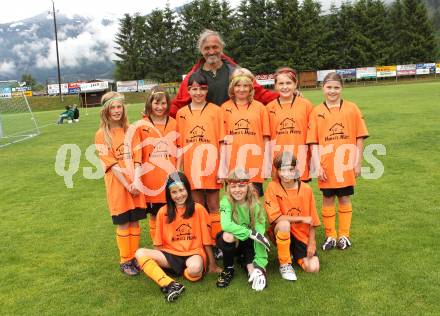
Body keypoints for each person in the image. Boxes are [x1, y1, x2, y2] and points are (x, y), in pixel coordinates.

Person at [306, 72, 369, 251]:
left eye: (336, 87)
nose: (332, 91)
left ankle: (344, 235)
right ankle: (330, 235)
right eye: (329, 87)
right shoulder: (316, 112)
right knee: (327, 198)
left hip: (346, 164)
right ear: (322, 88)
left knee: (344, 198)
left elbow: (359, 137)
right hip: (326, 165)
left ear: (342, 88)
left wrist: (357, 162)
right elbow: (314, 142)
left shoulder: (352, 108)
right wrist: (317, 165)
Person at [135, 172, 216, 302]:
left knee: (195, 269)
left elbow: (207, 239)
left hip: (193, 253)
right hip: (170, 254)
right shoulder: (163, 212)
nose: (179, 195)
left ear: (187, 189)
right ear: (169, 194)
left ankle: (183, 272)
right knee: (140, 253)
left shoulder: (199, 209)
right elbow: (158, 242)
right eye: (174, 192)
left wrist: (212, 264)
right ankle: (169, 283)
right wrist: (156, 261)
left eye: (181, 190)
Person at [170, 29, 278, 117]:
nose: (211, 52)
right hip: (207, 126)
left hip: (233, 125)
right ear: (201, 50)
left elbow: (259, 93)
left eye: (215, 47)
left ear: (221, 47)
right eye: (207, 48)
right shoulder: (193, 76)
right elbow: (179, 103)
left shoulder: (236, 72)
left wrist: (284, 96)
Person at [95, 91, 146, 276]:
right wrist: (127, 185)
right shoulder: (101, 135)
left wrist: (137, 180)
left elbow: (138, 157)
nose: (116, 111)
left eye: (119, 107)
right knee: (124, 222)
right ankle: (125, 260)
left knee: (135, 221)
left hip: (136, 182)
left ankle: (134, 257)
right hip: (119, 185)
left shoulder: (131, 130)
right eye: (112, 108)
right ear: (106, 111)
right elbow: (111, 164)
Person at [175, 72, 224, 263]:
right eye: (194, 88)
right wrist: (178, 171)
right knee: (197, 207)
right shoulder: (182, 114)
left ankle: (217, 242)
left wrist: (222, 168)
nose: (198, 92)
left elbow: (222, 141)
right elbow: (179, 145)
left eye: (202, 88)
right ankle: (203, 244)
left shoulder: (215, 111)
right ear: (188, 90)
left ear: (207, 89)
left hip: (212, 165)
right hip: (191, 169)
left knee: (213, 206)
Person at [264, 152, 320, 281]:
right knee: (284, 224)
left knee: (313, 268)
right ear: (277, 171)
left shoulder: (306, 189)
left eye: (290, 169)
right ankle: (285, 263)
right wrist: (301, 218)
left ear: (295, 169)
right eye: (281, 170)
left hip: (302, 235)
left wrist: (312, 242)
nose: (285, 173)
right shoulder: (272, 187)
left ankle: (294, 254)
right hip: (282, 230)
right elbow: (276, 218)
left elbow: (313, 220)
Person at [216, 168, 270, 291]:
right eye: (233, 186)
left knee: (253, 273)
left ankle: (244, 260)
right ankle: (228, 268)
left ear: (248, 187)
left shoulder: (255, 204)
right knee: (228, 236)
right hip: (233, 241)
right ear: (228, 187)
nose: (237, 190)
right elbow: (226, 225)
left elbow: (259, 235)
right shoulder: (226, 201)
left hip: (248, 242)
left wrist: (260, 266)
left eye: (241, 186)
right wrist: (249, 232)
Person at [220, 68, 270, 197]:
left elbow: (266, 139)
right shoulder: (224, 108)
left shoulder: (260, 108)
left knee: (255, 204)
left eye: (245, 86)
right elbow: (223, 142)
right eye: (238, 85)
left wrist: (267, 163)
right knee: (234, 204)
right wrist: (223, 166)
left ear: (251, 88)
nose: (241, 89)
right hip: (232, 165)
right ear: (232, 87)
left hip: (255, 164)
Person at [136, 86, 177, 241]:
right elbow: (137, 155)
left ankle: (172, 244)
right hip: (151, 179)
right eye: (156, 103)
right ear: (149, 104)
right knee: (155, 215)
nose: (160, 107)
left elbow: (178, 150)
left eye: (163, 103)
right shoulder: (141, 125)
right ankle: (158, 244)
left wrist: (177, 173)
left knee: (172, 211)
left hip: (171, 178)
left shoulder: (174, 123)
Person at [266, 67, 313, 181]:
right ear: (275, 86)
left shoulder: (306, 105)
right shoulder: (269, 108)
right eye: (281, 83)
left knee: (300, 196)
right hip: (278, 161)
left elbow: (313, 136)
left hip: (301, 160)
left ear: (295, 84)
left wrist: (313, 159)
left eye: (288, 83)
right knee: (281, 197)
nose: (285, 87)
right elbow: (266, 139)